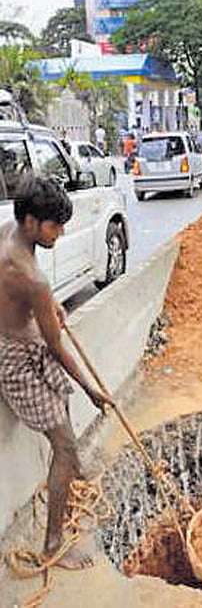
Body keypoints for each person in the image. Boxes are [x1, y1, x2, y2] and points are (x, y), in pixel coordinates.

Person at [0, 176, 111, 569]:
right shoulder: (33, 278)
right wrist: (92, 390)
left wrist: (40, 309)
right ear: (31, 221)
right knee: (64, 445)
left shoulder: (8, 232)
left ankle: (72, 473)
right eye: (54, 225)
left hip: (21, 340)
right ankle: (51, 546)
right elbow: (55, 347)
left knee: (62, 418)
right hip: (18, 364)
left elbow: (21, 301)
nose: (60, 233)